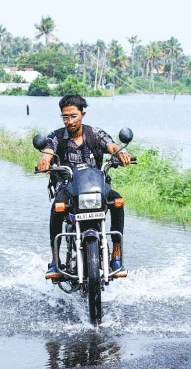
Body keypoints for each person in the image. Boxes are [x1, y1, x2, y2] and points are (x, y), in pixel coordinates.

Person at [36, 94, 132, 280]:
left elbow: (111, 146)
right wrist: (44, 161)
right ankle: (55, 261)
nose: (69, 121)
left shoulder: (94, 133)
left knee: (118, 202)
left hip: (96, 188)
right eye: (65, 117)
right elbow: (48, 151)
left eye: (73, 116)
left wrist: (121, 153)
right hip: (69, 189)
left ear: (83, 114)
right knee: (57, 208)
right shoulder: (56, 137)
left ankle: (116, 255)